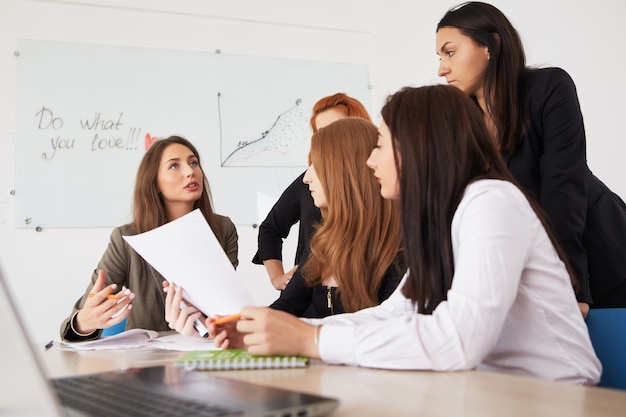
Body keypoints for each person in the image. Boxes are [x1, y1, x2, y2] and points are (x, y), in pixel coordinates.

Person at [207, 85, 602, 385]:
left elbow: (459, 340)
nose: (370, 159)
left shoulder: (491, 202)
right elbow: (393, 315)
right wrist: (274, 332)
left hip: (555, 396)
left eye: (380, 144)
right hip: (491, 390)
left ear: (419, 147)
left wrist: (311, 341)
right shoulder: (444, 219)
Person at [435, 1, 626, 311]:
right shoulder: (461, 123)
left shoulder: (548, 88)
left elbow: (562, 189)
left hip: (599, 256)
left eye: (450, 52)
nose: (442, 68)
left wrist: (569, 286)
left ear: (491, 45)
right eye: (440, 57)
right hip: (531, 274)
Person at [166, 118, 404, 335]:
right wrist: (223, 325)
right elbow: (287, 305)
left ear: (344, 173)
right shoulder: (323, 241)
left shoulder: (399, 250)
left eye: (317, 166)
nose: (305, 178)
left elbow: (383, 329)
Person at [60, 136, 238, 341]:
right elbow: (77, 320)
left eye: (193, 163)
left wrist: (205, 325)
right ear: (154, 183)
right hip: (147, 358)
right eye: (174, 166)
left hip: (206, 347)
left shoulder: (223, 229)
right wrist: (84, 323)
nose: (190, 171)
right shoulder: (126, 238)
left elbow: (225, 303)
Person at [252, 93, 372, 290]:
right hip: (304, 300)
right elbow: (270, 229)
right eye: (320, 132)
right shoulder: (308, 182)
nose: (327, 139)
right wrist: (277, 278)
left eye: (335, 129)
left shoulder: (382, 181)